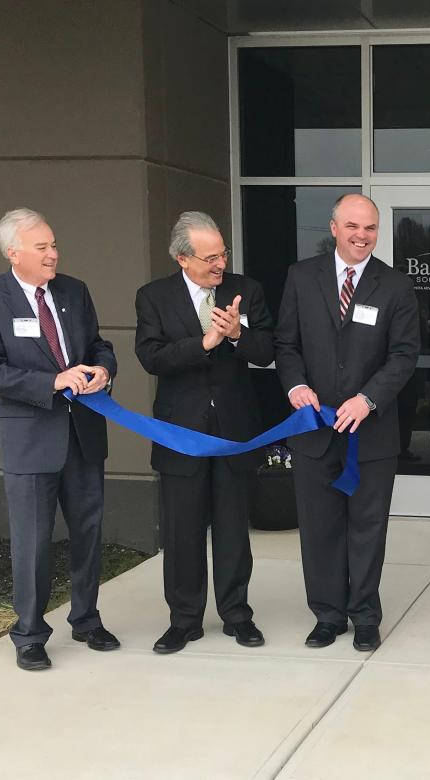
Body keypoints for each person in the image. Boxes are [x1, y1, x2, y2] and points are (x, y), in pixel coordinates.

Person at [0, 208, 119, 670]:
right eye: (42, 247)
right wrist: (53, 382)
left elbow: (98, 345)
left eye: (53, 245)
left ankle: (87, 620)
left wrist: (103, 369)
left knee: (88, 534)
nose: (53, 254)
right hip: (31, 442)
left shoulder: (74, 290)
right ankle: (29, 634)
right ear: (14, 253)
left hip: (83, 436)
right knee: (31, 541)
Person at [275, 193, 420, 652]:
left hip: (371, 432)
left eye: (371, 228)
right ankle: (327, 614)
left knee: (367, 526)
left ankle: (364, 615)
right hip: (313, 430)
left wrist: (368, 398)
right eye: (354, 226)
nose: (362, 235)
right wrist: (295, 385)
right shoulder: (301, 277)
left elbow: (404, 355)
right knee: (318, 528)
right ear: (334, 228)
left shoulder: (395, 285)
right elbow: (286, 344)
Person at [135, 211, 274, 653]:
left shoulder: (245, 290)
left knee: (234, 528)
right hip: (181, 433)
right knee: (182, 531)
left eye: (223, 254)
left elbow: (268, 349)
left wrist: (236, 335)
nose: (220, 264)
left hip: (234, 431)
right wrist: (204, 344)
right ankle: (184, 620)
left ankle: (237, 614)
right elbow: (152, 357)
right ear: (182, 258)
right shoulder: (153, 297)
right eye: (210, 257)